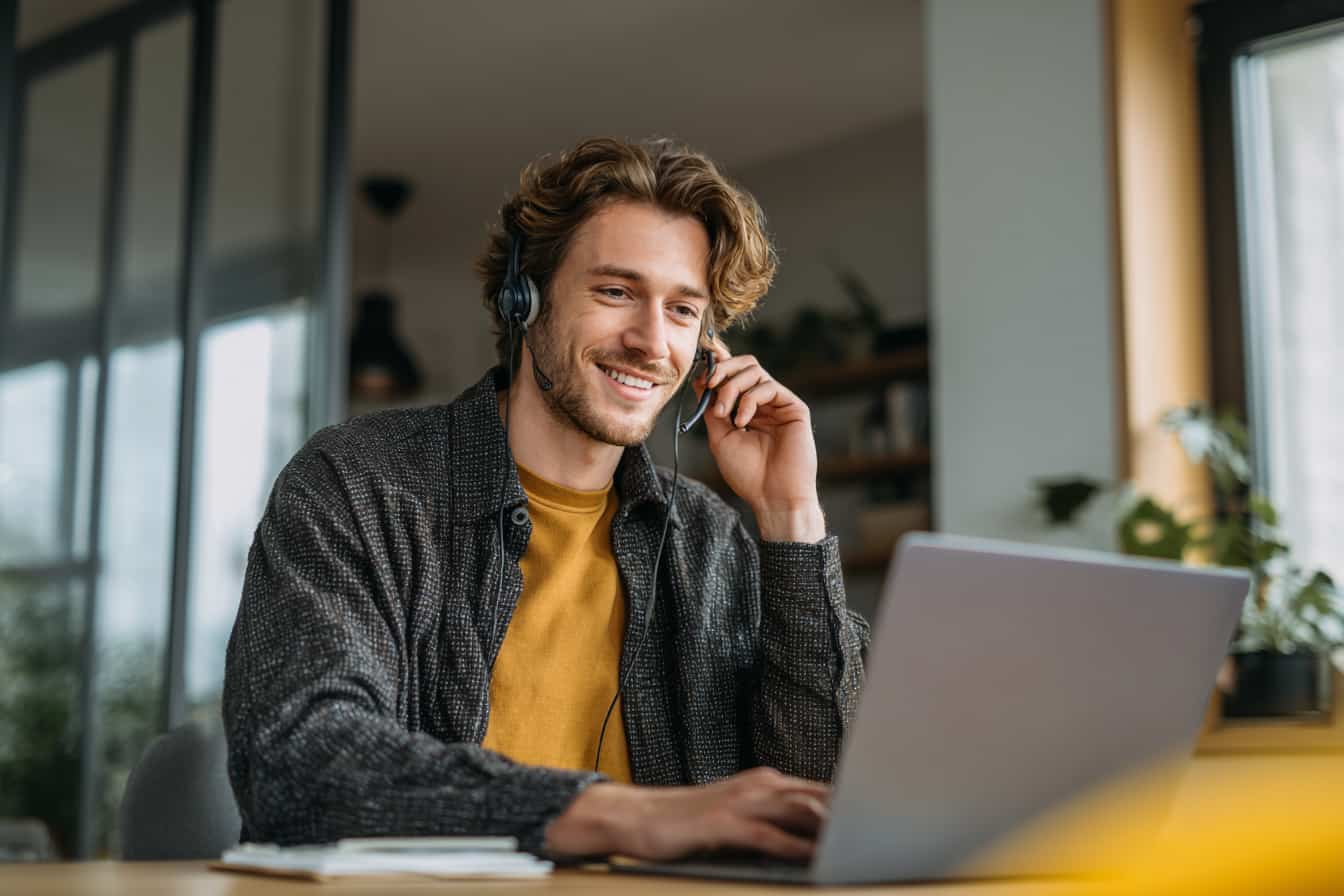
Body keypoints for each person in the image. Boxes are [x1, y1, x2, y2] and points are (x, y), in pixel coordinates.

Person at [222, 136, 868, 862]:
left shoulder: (710, 541)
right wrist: (622, 816)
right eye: (616, 292)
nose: (652, 343)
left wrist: (791, 519)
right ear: (523, 297)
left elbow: (816, 800)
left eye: (684, 311)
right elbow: (302, 763)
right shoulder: (358, 485)